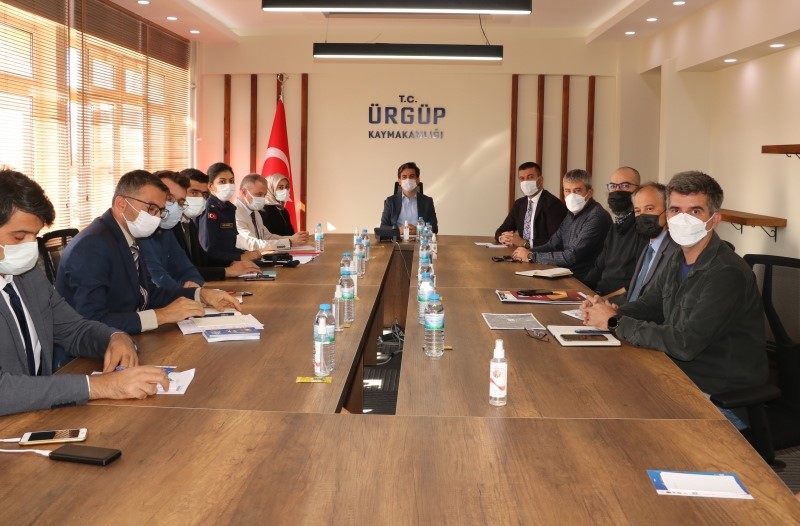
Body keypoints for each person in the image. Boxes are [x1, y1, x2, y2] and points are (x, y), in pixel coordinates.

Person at [581, 171, 767, 429]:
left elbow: (684, 343)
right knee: (597, 394)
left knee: (622, 426)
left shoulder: (727, 273)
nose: (682, 219)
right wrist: (609, 311)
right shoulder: (678, 258)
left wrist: (614, 322)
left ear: (714, 220)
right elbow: (650, 304)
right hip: (677, 377)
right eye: (676, 210)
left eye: (695, 211)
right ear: (667, 216)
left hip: (719, 398)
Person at [0, 169, 168, 416]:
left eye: (34, 236)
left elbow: (74, 328)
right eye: (18, 237)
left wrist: (114, 337)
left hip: (36, 415)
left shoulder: (27, 274)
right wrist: (97, 386)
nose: (29, 247)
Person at [56, 170, 241, 335]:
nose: (157, 217)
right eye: (151, 209)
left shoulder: (128, 235)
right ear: (121, 203)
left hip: (125, 338)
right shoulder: (91, 246)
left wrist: (200, 294)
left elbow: (148, 294)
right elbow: (91, 321)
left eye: (160, 211)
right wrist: (161, 316)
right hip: (86, 355)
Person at [511, 169, 611, 282]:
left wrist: (531, 256)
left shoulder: (596, 217)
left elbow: (572, 256)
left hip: (585, 281)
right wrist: (527, 252)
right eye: (567, 191)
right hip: (567, 275)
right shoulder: (571, 214)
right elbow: (552, 245)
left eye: (577, 191)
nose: (572, 195)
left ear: (590, 192)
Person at [168, 169, 259, 283]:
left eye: (204, 194)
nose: (200, 198)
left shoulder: (188, 222)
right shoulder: (170, 225)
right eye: (194, 192)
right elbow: (182, 270)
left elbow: (203, 259)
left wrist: (233, 262)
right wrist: (227, 271)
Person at [583, 167, 649, 296]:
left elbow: (639, 280)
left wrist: (605, 299)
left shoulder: (644, 229)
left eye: (625, 185)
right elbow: (599, 267)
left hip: (620, 300)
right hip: (599, 294)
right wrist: (582, 290)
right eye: (613, 186)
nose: (617, 191)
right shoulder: (615, 226)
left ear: (638, 191)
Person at [619, 182, 679, 304]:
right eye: (637, 211)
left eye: (649, 208)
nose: (642, 215)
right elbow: (635, 294)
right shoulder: (647, 246)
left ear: (667, 210)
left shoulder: (676, 251)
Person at [197, 162, 261, 264]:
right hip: (218, 269)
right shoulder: (209, 210)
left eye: (231, 181)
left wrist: (247, 253)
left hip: (231, 265)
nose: (228, 185)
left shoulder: (229, 208)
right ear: (211, 186)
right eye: (222, 182)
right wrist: (240, 257)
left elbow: (229, 248)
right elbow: (209, 251)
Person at [495, 161, 567, 248]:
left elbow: (556, 241)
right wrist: (503, 238)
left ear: (540, 180)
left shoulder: (553, 204)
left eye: (530, 177)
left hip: (543, 254)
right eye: (522, 178)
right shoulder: (519, 204)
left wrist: (525, 243)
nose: (525, 182)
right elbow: (501, 230)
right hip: (519, 253)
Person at [234, 173, 308, 251]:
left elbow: (267, 237)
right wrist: (289, 242)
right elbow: (253, 244)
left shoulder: (254, 212)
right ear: (244, 192)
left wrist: (293, 239)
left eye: (264, 195)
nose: (262, 198)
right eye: (259, 194)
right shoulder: (234, 213)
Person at [380, 161, 438, 235]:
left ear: (418, 180)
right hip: (397, 239)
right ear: (399, 181)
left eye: (412, 176)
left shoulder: (427, 201)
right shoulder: (390, 201)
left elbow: (434, 228)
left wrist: (418, 231)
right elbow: (383, 227)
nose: (408, 180)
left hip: (420, 240)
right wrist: (398, 231)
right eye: (404, 177)